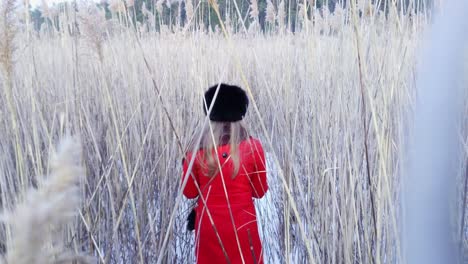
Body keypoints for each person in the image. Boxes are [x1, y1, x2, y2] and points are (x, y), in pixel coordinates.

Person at [182, 83, 268, 264]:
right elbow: (259, 192)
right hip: (244, 228)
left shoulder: (195, 150)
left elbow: (189, 192)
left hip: (208, 227)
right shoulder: (254, 147)